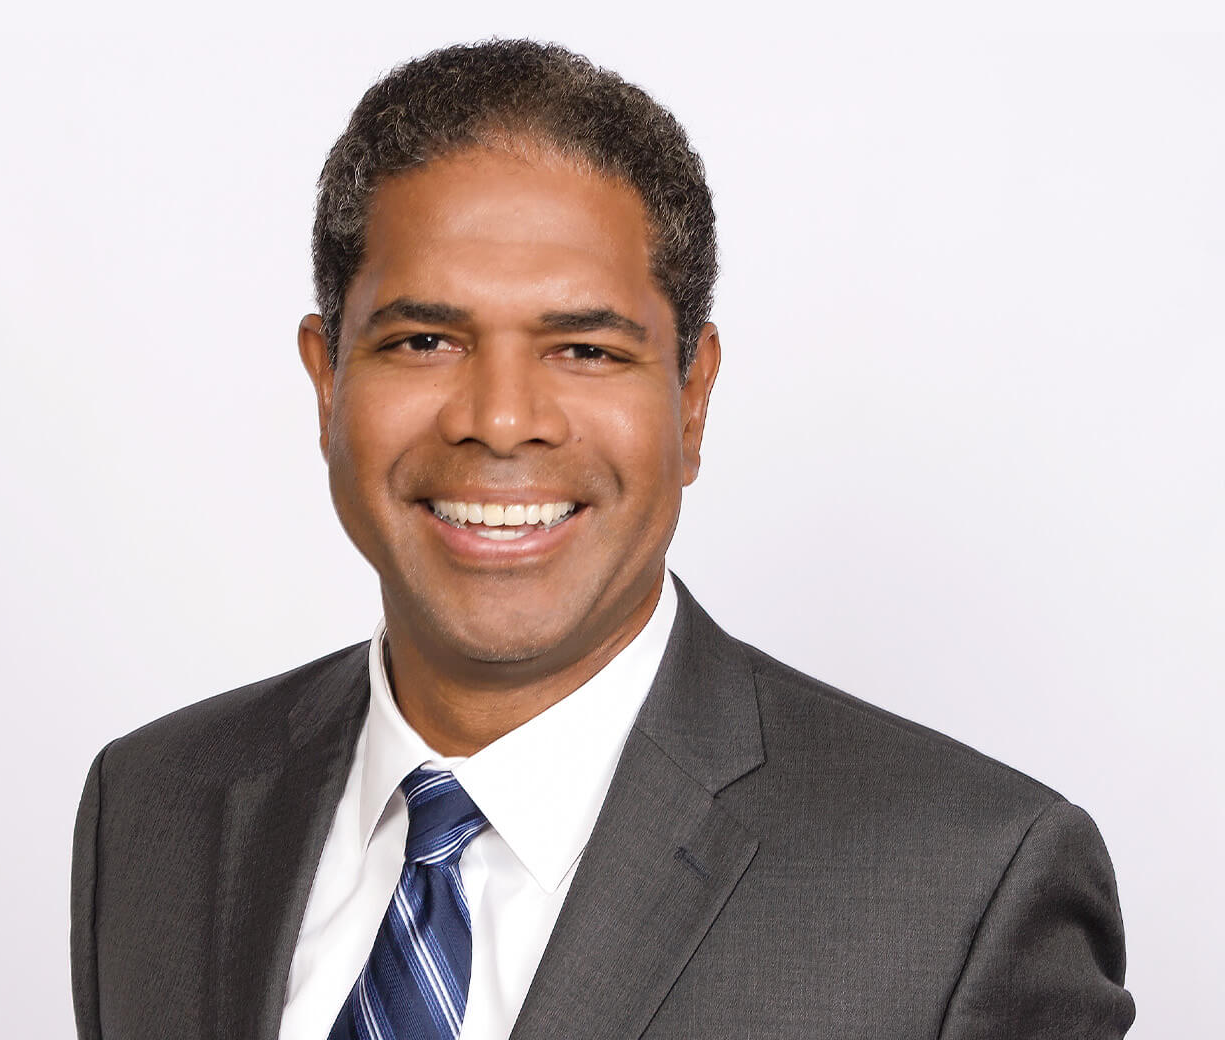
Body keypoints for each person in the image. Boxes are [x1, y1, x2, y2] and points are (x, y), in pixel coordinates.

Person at [71, 40, 1134, 1040]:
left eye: (584, 349)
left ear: (692, 400)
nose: (499, 418)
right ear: (327, 382)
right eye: (425, 339)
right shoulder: (153, 808)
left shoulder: (965, 891)